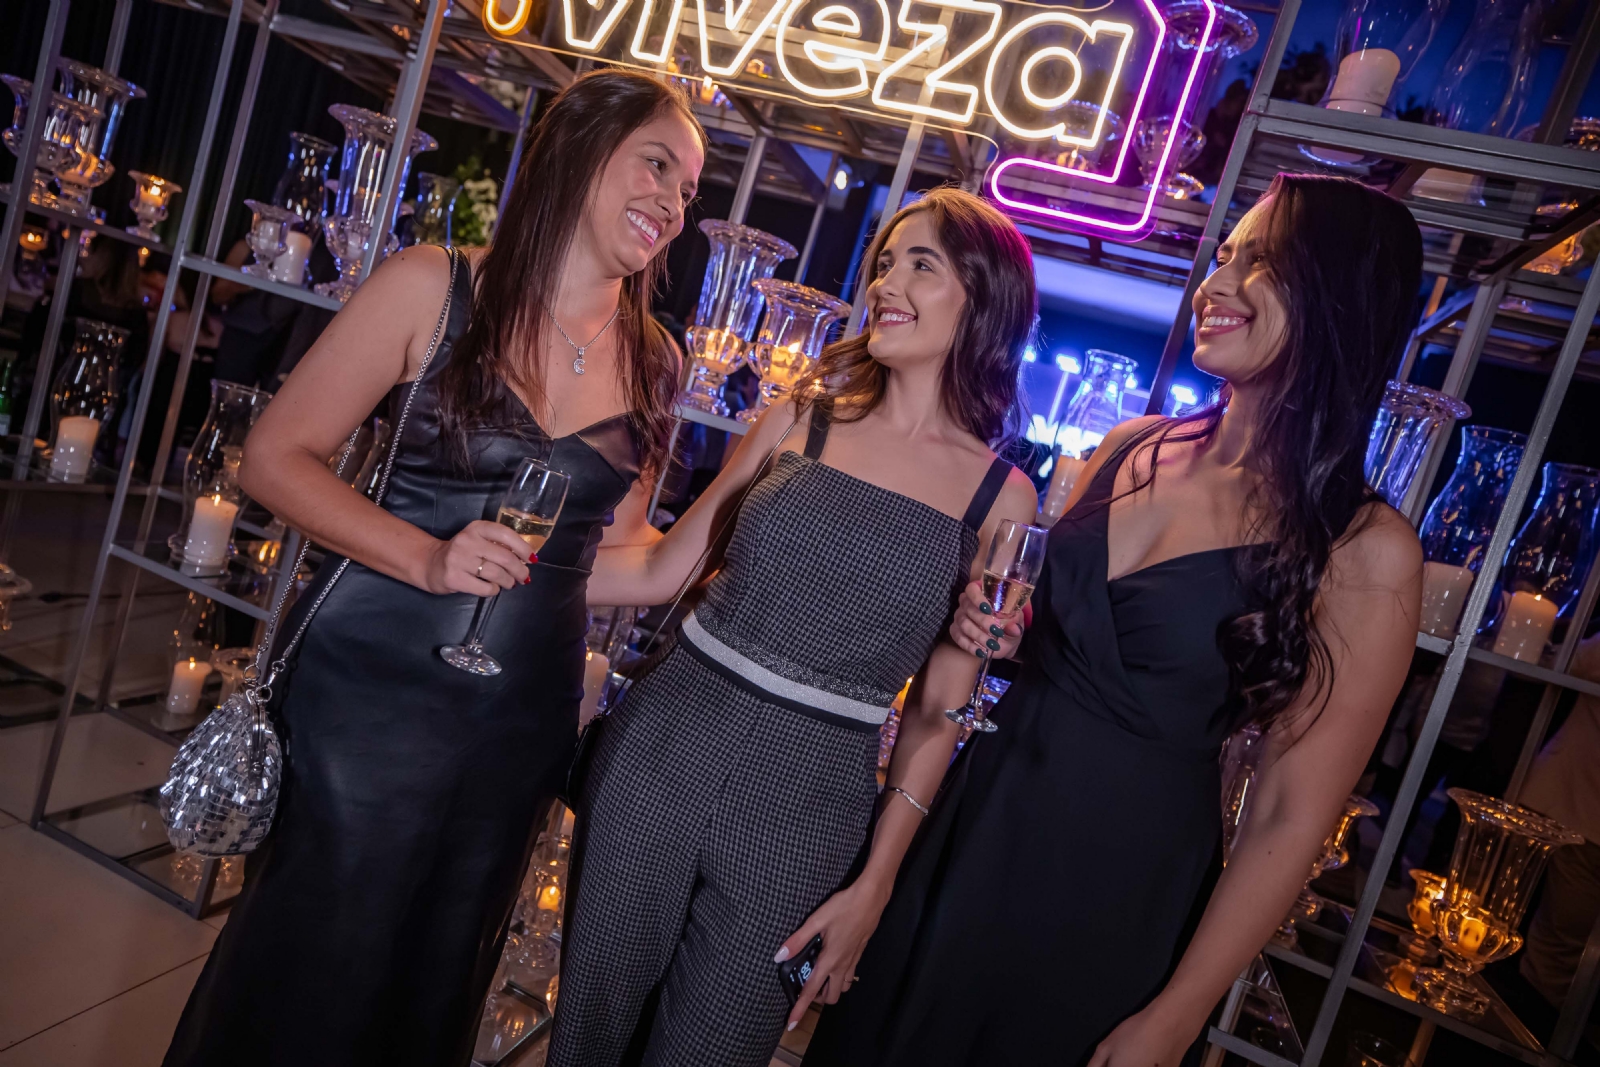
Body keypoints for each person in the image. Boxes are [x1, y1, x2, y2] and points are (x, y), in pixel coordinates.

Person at [804, 173, 1426, 1067]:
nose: (1215, 285)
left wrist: (1177, 1014)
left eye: (1259, 262)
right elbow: (1044, 631)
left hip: (1117, 886)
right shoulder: (1133, 445)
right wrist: (1001, 628)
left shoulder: (1366, 546)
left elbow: (1288, 816)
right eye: (1222, 255)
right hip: (975, 821)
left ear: (1338, 298)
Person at [162, 70, 705, 1067]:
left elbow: (613, 559)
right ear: (580, 149)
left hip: (519, 718)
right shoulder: (434, 283)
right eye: (658, 165)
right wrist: (427, 554)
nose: (674, 202)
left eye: (689, 189)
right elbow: (274, 456)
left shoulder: (656, 359)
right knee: (313, 958)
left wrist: (752, 487)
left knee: (439, 973)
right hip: (368, 688)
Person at [547, 187, 1040, 1067]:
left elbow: (938, 715)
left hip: (811, 803)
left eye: (920, 264)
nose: (885, 282)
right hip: (664, 743)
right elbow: (662, 570)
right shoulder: (801, 416)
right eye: (884, 262)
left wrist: (876, 884)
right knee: (586, 1039)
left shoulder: (1000, 497)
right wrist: (514, 566)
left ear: (985, 300)